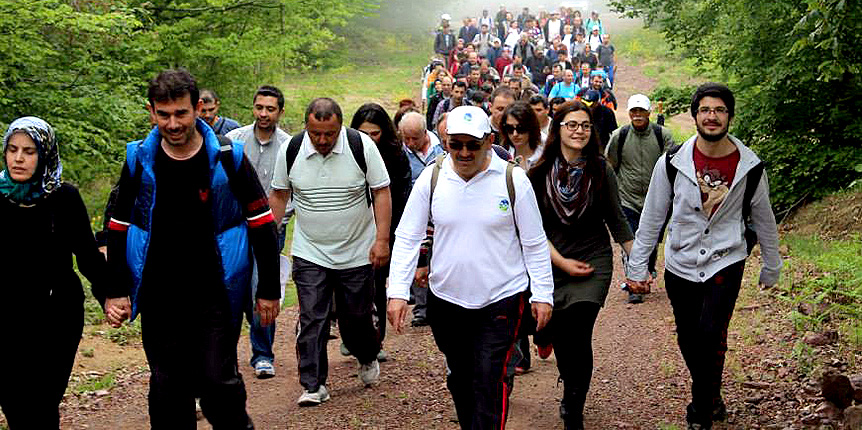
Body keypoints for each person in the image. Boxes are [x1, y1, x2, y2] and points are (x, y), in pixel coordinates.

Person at [106, 69, 279, 428]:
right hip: (158, 295)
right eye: (164, 114)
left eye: (181, 113)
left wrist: (268, 290)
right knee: (168, 388)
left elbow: (262, 223)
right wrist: (117, 289)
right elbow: (118, 226)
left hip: (214, 292)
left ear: (197, 108)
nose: (173, 123)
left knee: (218, 382)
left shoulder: (228, 158)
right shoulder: (139, 159)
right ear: (151, 112)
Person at [625, 83, 781, 430]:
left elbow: (763, 218)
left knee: (711, 333)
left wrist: (772, 264)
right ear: (695, 115)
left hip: (726, 258)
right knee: (688, 335)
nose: (712, 116)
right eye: (706, 110)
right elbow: (652, 216)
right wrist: (637, 264)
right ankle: (711, 393)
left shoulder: (750, 166)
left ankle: (700, 411)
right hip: (680, 260)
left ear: (729, 116)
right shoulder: (672, 163)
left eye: (720, 110)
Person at [387, 105, 554, 430]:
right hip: (447, 300)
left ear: (489, 141)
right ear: (446, 141)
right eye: (455, 144)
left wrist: (543, 293)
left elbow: (534, 242)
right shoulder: (432, 178)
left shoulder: (512, 180)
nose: (463, 153)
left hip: (502, 298)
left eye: (472, 145)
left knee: (490, 377)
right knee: (461, 378)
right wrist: (397, 291)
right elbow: (407, 236)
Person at [269, 98, 392, 406]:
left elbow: (381, 191)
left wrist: (381, 239)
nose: (322, 141)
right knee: (312, 317)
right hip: (310, 251)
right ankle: (313, 384)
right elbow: (280, 195)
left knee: (356, 319)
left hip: (356, 251)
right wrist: (267, 238)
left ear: (340, 127)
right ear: (306, 127)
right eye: (315, 134)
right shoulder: (292, 150)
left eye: (330, 134)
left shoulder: (361, 146)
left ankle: (366, 353)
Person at [528, 101, 634, 430]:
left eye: (585, 126)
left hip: (593, 261)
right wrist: (560, 262)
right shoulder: (538, 173)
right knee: (561, 333)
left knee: (579, 328)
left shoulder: (601, 170)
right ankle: (568, 379)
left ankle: (574, 402)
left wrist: (638, 263)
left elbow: (617, 221)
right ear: (557, 128)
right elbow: (530, 230)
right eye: (571, 125)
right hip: (550, 262)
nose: (579, 131)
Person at [0, 117, 108, 428]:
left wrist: (111, 295)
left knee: (43, 403)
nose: (19, 158)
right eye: (13, 149)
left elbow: (87, 256)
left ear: (45, 153)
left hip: (56, 313)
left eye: (29, 151)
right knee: (15, 406)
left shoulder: (63, 197)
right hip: (6, 317)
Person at [224, 85, 291, 378]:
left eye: (270, 109)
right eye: (259, 108)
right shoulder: (234, 141)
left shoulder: (289, 146)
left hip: (270, 230)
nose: (264, 114)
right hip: (234, 231)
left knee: (262, 289)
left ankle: (263, 354)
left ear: (280, 112)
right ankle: (224, 358)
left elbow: (293, 191)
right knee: (229, 290)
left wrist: (274, 223)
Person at [350, 103, 413, 360]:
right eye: (363, 134)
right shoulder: (346, 153)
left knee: (376, 284)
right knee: (351, 286)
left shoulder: (396, 156)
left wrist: (387, 235)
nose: (368, 140)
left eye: (374, 134)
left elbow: (401, 197)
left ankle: (377, 340)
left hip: (385, 228)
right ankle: (353, 334)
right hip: (352, 228)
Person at [605, 94, 676, 303]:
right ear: (629, 113)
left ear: (648, 113)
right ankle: (634, 285)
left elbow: (671, 165)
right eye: (634, 111)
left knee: (651, 241)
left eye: (641, 111)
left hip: (657, 200)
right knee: (633, 241)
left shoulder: (662, 135)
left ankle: (648, 268)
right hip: (627, 198)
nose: (637, 115)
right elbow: (611, 164)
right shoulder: (620, 135)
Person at [400, 112, 445, 326]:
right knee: (418, 256)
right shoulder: (402, 154)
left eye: (414, 138)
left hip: (440, 213)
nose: (410, 143)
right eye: (405, 138)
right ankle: (421, 308)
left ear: (425, 133)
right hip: (416, 214)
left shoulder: (441, 149)